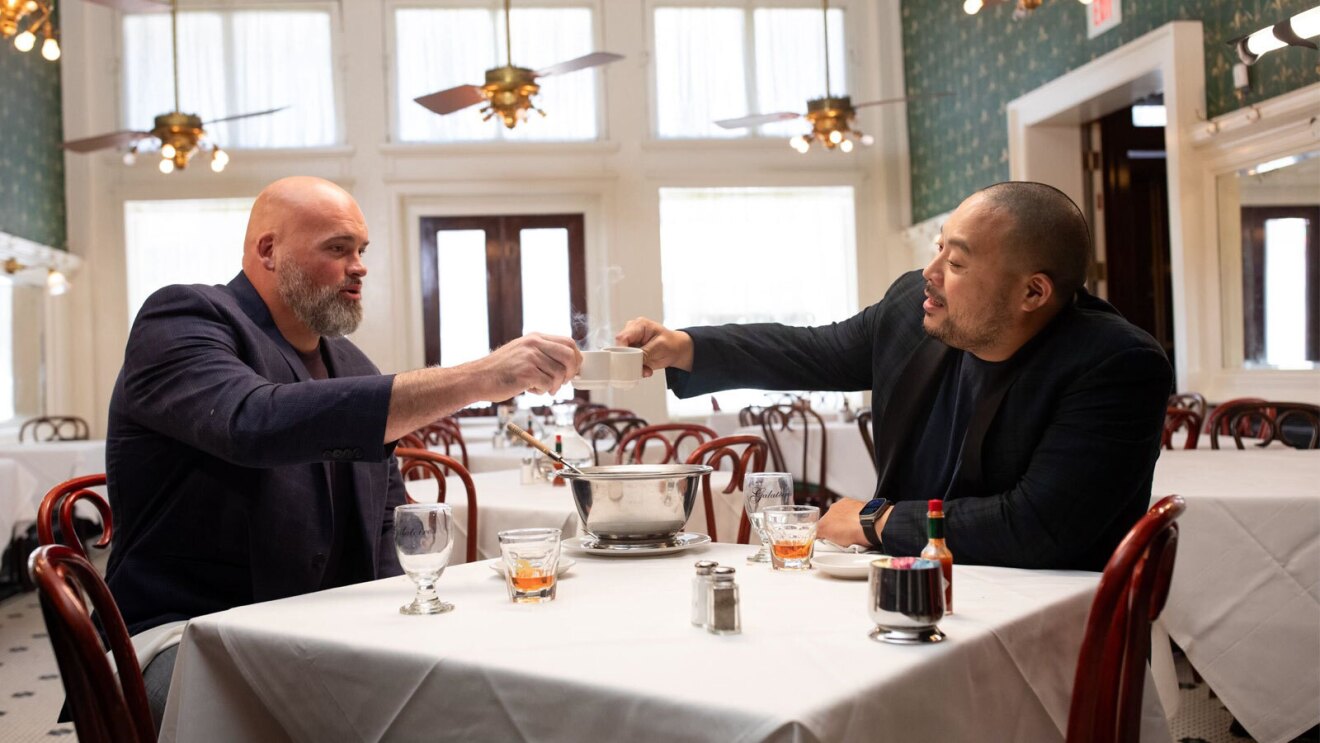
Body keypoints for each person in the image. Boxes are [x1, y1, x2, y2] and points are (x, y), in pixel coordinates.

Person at [104, 176, 581, 726]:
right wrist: (478, 377)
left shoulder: (351, 363)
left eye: (361, 250)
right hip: (187, 632)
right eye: (337, 248)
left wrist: (408, 617)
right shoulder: (185, 319)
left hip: (319, 629)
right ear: (269, 251)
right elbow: (253, 422)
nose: (359, 266)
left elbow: (384, 518)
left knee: (465, 699)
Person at [616, 181, 1172, 572]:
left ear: (1034, 292)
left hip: (1048, 612)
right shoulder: (916, 307)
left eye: (956, 264)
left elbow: (1038, 526)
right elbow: (815, 350)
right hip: (906, 583)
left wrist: (876, 521)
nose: (929, 275)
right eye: (939, 251)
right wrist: (684, 347)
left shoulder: (1115, 364)